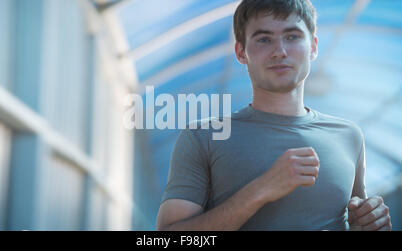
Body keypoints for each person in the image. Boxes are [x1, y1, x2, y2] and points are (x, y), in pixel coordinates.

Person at [156, 0, 392, 230]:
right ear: (241, 52)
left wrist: (366, 225)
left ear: (313, 47)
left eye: (292, 37)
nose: (279, 51)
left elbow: (356, 220)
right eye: (264, 39)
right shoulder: (204, 136)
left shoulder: (349, 136)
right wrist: (260, 189)